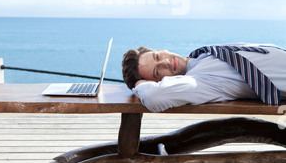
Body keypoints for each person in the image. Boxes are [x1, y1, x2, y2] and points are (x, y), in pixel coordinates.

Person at [121, 43, 286, 112]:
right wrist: (141, 85)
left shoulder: (201, 56)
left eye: (157, 56)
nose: (165, 62)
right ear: (159, 82)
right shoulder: (198, 81)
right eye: (157, 72)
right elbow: (155, 96)